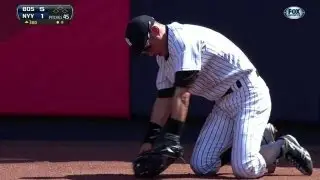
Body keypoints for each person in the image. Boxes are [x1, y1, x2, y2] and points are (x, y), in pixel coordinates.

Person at [124, 15, 313, 178]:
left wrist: (173, 136)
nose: (146, 54)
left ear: (156, 30)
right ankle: (262, 139)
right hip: (224, 103)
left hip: (249, 95)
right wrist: (150, 139)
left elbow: (182, 96)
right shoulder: (162, 58)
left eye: (146, 48)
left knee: (244, 168)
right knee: (202, 165)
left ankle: (283, 146)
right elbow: (163, 99)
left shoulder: (183, 40)